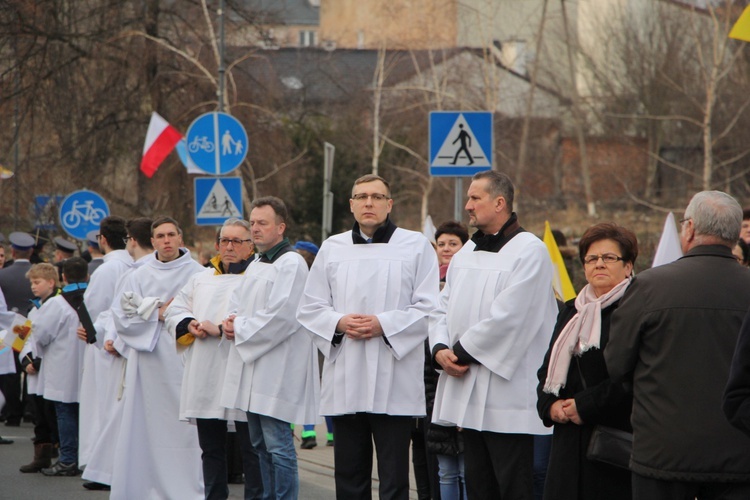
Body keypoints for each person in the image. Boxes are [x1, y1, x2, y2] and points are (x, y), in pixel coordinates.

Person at [298, 174, 439, 500]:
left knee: (393, 476)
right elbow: (309, 307)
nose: (369, 203)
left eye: (377, 197)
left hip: (395, 376)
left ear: (389, 204)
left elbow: (430, 307)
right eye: (361, 197)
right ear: (351, 204)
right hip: (347, 372)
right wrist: (339, 322)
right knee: (349, 474)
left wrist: (383, 325)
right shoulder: (333, 247)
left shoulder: (415, 244)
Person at [606, 191, 750, 499]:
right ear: (737, 233)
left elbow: (617, 364)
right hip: (740, 450)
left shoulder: (649, 287)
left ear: (690, 229)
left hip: (663, 453)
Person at [429, 170, 557, 500]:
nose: (467, 205)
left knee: (514, 487)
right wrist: (440, 348)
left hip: (508, 396)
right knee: (479, 486)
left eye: (475, 198)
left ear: (499, 203)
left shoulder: (530, 250)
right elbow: (440, 306)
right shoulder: (467, 251)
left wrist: (458, 352)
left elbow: (510, 319)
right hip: (468, 392)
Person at [221, 197, 320, 500]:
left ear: (281, 226)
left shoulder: (291, 263)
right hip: (252, 367)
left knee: (279, 447)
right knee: (259, 446)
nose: (256, 228)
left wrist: (239, 327)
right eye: (252, 223)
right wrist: (230, 320)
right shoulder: (257, 262)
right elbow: (238, 302)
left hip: (277, 368)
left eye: (262, 223)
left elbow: (282, 316)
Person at [536, 223, 637, 500]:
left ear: (628, 266)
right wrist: (550, 406)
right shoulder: (572, 310)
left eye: (609, 258)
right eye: (591, 259)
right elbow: (548, 369)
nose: (599, 264)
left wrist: (585, 406)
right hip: (568, 442)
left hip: (613, 442)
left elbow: (630, 377)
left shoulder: (635, 310)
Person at [166, 218, 262, 500]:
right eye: (224, 241)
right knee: (211, 448)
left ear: (250, 245)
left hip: (243, 369)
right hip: (206, 371)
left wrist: (222, 329)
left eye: (236, 241)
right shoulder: (201, 277)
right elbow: (176, 309)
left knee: (251, 449)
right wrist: (189, 323)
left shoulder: (259, 276)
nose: (229, 247)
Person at [110, 216, 205, 500]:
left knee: (185, 427)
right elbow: (120, 316)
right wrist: (157, 314)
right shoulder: (137, 275)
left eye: (171, 235)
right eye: (160, 236)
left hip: (184, 357)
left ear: (181, 238)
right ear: (152, 241)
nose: (166, 241)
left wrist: (176, 317)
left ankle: (187, 488)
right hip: (149, 362)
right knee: (147, 426)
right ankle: (145, 486)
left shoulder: (199, 274)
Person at [81, 217, 153, 489]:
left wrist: (104, 337)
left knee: (112, 409)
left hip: (121, 350)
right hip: (119, 344)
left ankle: (109, 469)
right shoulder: (130, 268)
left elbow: (104, 309)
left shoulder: (114, 269)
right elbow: (116, 311)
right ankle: (108, 468)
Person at [77, 216, 131, 491]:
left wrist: (90, 332)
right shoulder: (134, 264)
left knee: (102, 408)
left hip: (104, 346)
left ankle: (102, 467)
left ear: (103, 239)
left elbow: (93, 311)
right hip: (123, 344)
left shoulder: (106, 270)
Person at [32, 257, 89, 476]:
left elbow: (41, 334)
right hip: (89, 366)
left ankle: (67, 460)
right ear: (87, 276)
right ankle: (88, 459)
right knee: (87, 414)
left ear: (63, 276)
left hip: (62, 367)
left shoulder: (57, 303)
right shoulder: (93, 297)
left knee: (65, 413)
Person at [425, 220, 469, 500]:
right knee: (446, 471)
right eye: (441, 244)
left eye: (453, 244)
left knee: (466, 468)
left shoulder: (468, 281)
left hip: (464, 376)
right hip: (437, 387)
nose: (446, 249)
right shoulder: (428, 283)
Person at [293, 240, 335, 450]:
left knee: (299, 386)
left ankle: (304, 432)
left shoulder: (295, 276)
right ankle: (331, 434)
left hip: (302, 340)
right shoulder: (321, 278)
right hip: (319, 339)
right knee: (323, 386)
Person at [18, 264, 61, 472]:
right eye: (31, 283)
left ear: (51, 282)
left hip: (51, 370)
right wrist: (26, 362)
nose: (33, 287)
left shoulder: (58, 306)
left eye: (37, 282)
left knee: (52, 414)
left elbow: (57, 341)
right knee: (38, 416)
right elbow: (21, 340)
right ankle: (41, 456)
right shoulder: (33, 309)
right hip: (33, 373)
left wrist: (39, 362)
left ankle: (60, 452)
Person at [0, 232, 37, 428]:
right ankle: (30, 408)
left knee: (11, 369)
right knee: (30, 363)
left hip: (10, 327)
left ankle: (12, 413)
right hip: (30, 323)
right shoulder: (37, 273)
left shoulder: (2, 274)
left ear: (12, 251)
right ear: (31, 252)